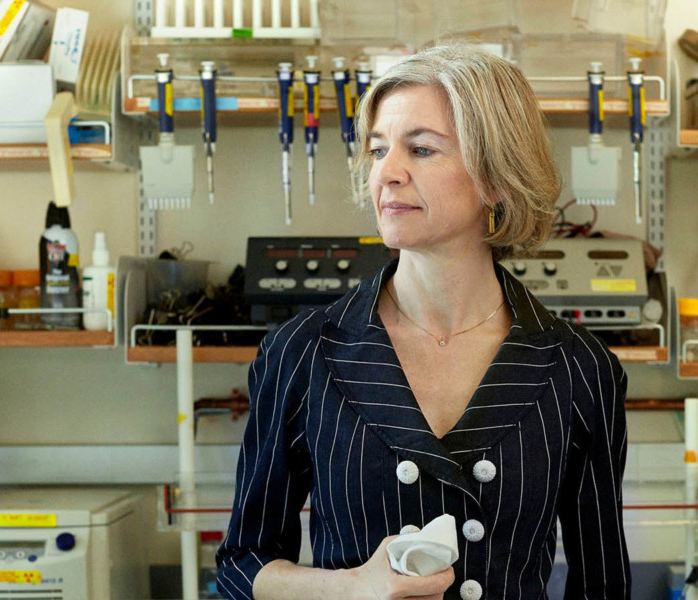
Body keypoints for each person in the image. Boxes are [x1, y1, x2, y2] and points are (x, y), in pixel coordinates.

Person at [217, 44, 630, 600]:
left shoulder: (579, 368)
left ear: (497, 176)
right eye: (378, 149)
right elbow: (242, 564)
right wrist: (353, 588)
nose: (386, 174)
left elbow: (601, 584)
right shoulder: (303, 352)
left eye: (422, 149)